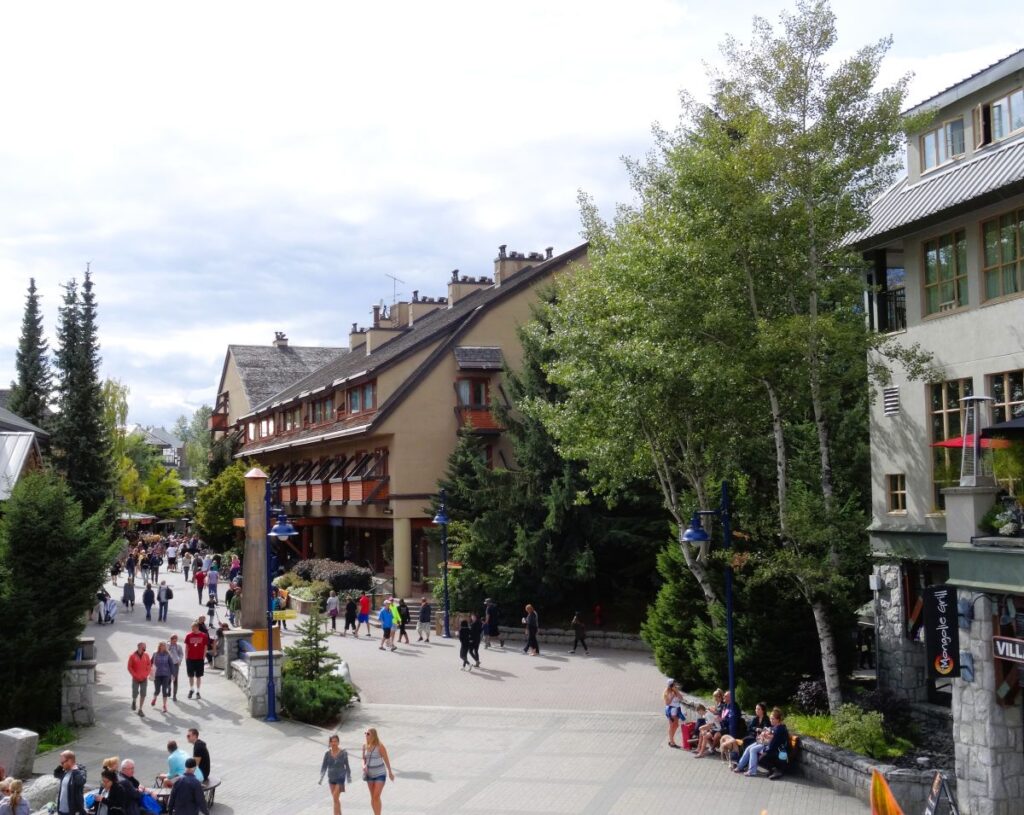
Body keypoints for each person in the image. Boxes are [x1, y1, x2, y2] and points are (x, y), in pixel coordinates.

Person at [362, 728, 394, 815]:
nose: (366, 735)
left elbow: (386, 759)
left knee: (376, 796)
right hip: (369, 774)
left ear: (373, 735)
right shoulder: (364, 746)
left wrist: (390, 772)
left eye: (368, 734)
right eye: (365, 733)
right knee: (373, 797)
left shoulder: (380, 746)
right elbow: (363, 759)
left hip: (380, 774)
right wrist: (364, 766)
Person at [318, 734, 351, 815]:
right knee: (335, 799)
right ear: (330, 743)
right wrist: (321, 777)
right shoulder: (327, 754)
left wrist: (348, 776)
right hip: (331, 778)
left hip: (340, 778)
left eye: (335, 741)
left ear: (338, 742)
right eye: (332, 741)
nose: (334, 743)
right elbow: (324, 766)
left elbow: (347, 765)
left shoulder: (343, 753)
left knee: (335, 797)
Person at [758, 708, 791, 780]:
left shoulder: (779, 730)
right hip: (777, 750)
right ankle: (772, 770)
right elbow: (772, 741)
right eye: (770, 718)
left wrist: (764, 751)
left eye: (773, 719)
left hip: (780, 752)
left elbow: (773, 745)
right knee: (760, 755)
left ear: (778, 720)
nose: (770, 720)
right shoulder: (777, 727)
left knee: (761, 759)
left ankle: (776, 770)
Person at [53, 750, 87, 815]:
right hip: (61, 811)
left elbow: (81, 781)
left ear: (70, 761)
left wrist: (75, 771)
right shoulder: (65, 771)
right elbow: (56, 774)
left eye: (62, 762)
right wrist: (61, 765)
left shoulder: (80, 770)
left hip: (73, 812)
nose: (61, 764)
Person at [184, 622, 209, 699]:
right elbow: (186, 647)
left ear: (197, 627)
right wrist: (186, 657)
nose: (192, 629)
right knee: (190, 675)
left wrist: (204, 656)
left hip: (199, 659)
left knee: (198, 676)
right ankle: (191, 689)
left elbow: (205, 646)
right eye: (192, 628)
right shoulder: (188, 635)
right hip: (190, 658)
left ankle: (198, 692)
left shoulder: (203, 636)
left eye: (193, 628)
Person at [127, 642, 151, 717]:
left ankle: (140, 709)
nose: (145, 648)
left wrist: (146, 675)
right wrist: (135, 675)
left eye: (145, 647)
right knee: (135, 692)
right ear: (139, 647)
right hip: (136, 678)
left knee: (143, 694)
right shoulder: (132, 656)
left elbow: (149, 665)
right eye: (144, 647)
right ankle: (134, 701)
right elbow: (129, 667)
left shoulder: (146, 655)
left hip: (144, 678)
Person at [150, 641, 173, 712]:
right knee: (157, 690)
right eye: (163, 645)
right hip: (157, 674)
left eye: (165, 646)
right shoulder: (155, 654)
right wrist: (149, 671)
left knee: (164, 690)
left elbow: (171, 664)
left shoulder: (168, 654)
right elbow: (150, 663)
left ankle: (164, 706)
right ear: (159, 646)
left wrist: (173, 674)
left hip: (166, 674)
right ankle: (154, 698)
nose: (164, 647)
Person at [664, 679, 685, 748]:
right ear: (670, 685)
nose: (675, 685)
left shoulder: (676, 691)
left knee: (676, 725)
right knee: (672, 725)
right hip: (671, 710)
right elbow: (667, 703)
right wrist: (672, 696)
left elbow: (681, 698)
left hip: (677, 710)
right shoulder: (667, 692)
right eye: (674, 684)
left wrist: (676, 691)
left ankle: (671, 739)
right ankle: (672, 741)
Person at [168, 634, 184, 701]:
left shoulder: (178, 646)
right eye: (173, 640)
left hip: (175, 664)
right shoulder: (167, 645)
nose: (174, 642)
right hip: (168, 664)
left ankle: (174, 695)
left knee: (175, 679)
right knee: (168, 679)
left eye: (175, 640)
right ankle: (169, 689)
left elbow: (181, 654)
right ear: (170, 640)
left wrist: (179, 660)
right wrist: (169, 645)